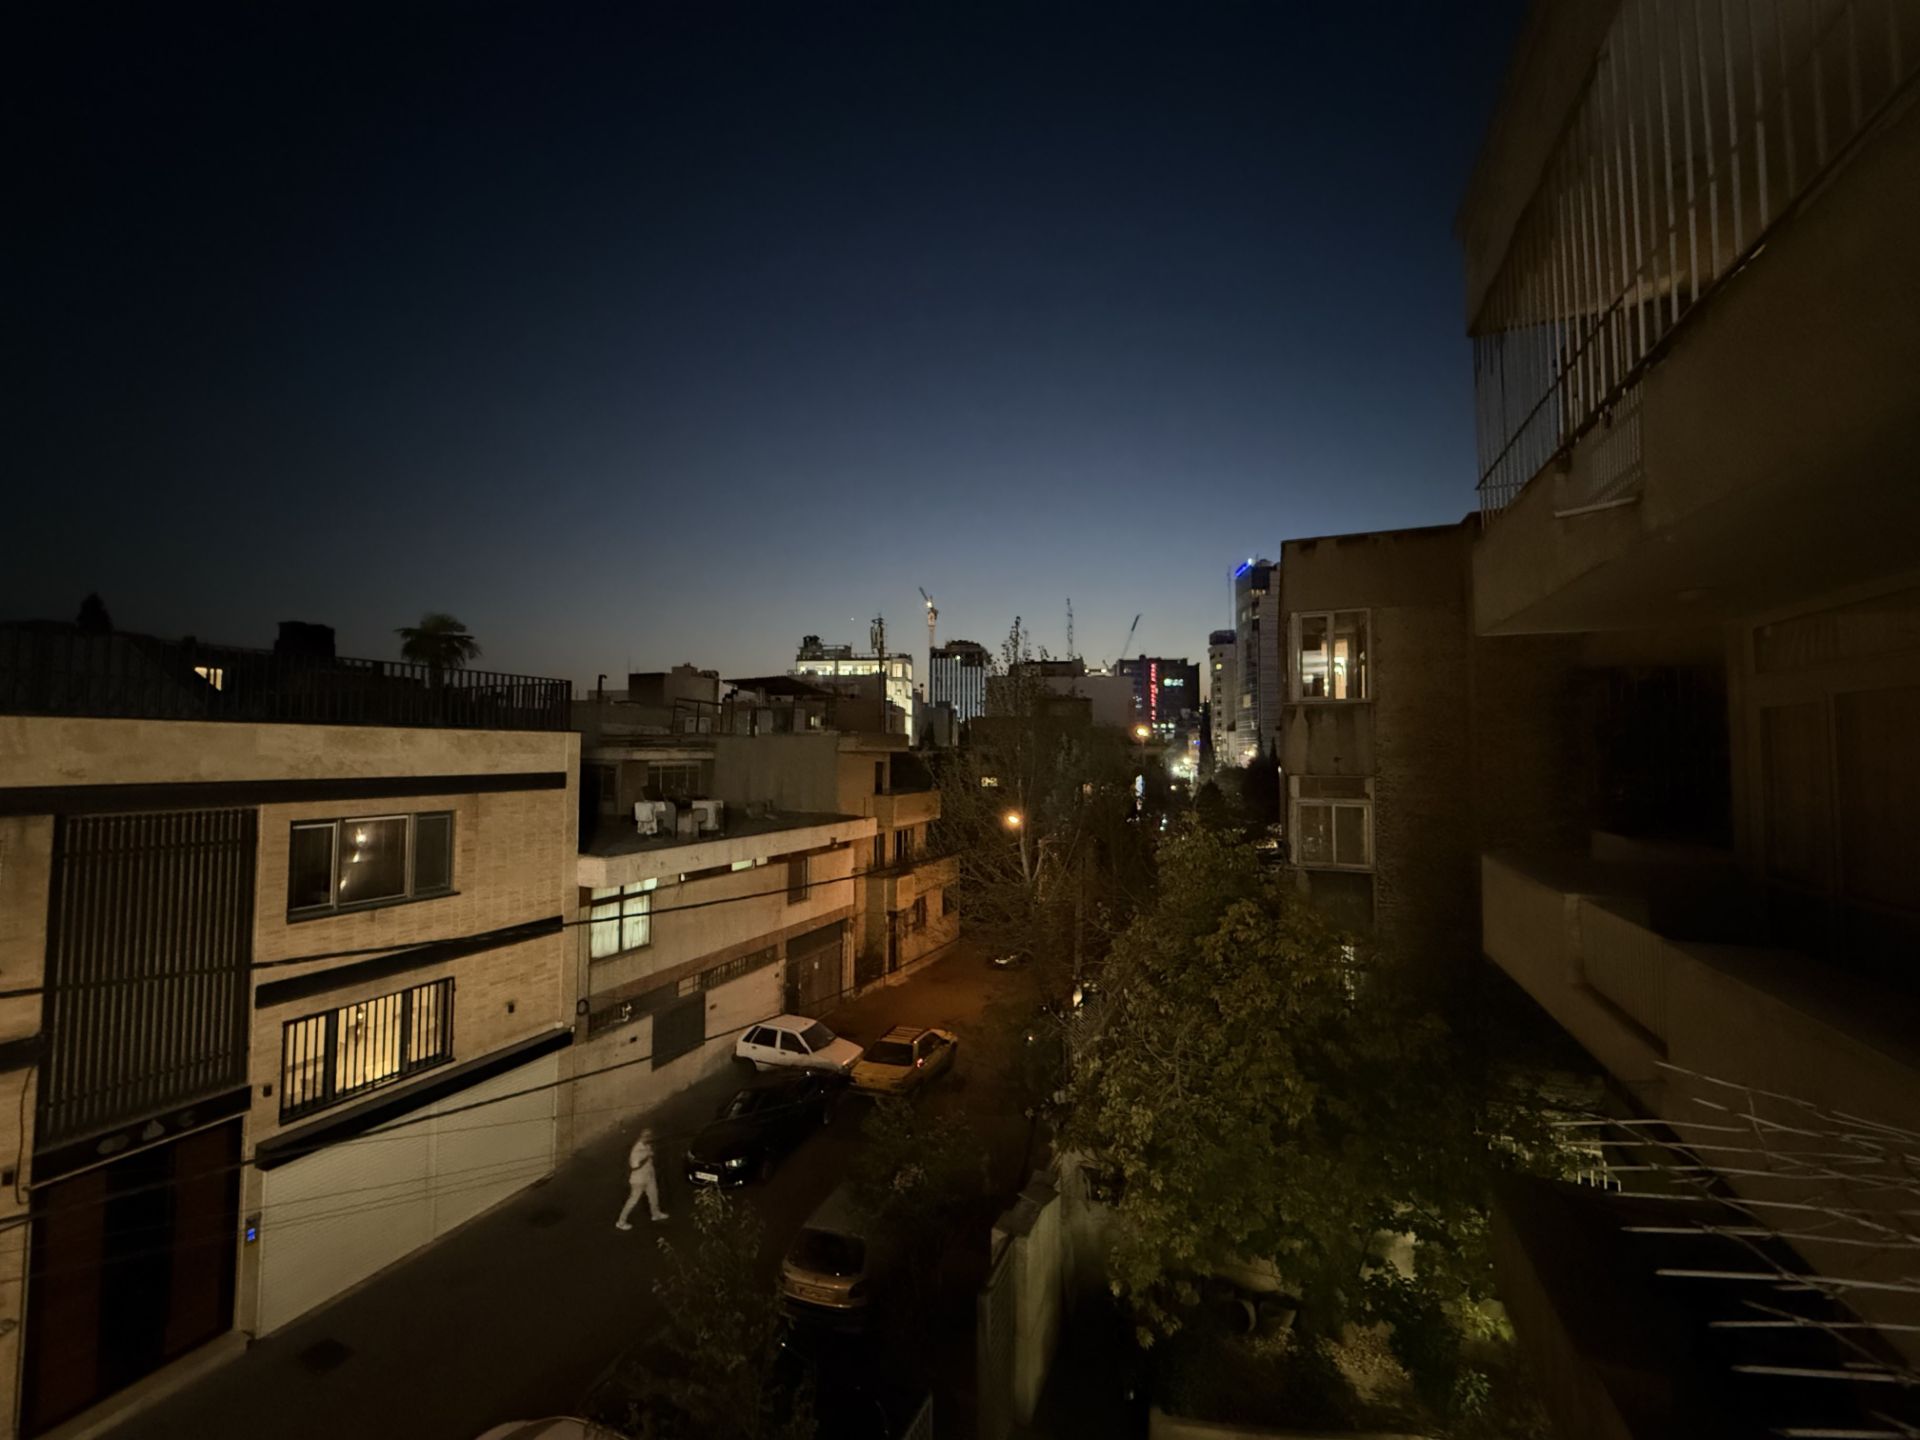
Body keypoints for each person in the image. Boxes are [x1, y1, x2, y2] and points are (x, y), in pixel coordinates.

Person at [615, 1126, 668, 1229]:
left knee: (653, 1195)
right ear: (642, 1137)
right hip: (638, 1180)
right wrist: (646, 1157)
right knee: (633, 1200)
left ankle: (655, 1214)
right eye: (647, 1137)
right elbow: (635, 1166)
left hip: (649, 1176)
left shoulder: (647, 1146)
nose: (650, 1139)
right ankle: (621, 1222)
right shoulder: (636, 1151)